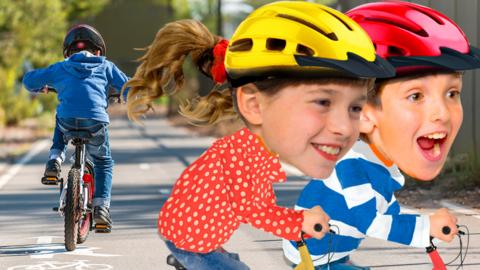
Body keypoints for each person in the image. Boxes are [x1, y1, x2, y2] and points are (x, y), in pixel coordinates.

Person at [124, 1, 394, 269]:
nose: (344, 128)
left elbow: (262, 204)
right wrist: (297, 222)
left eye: (355, 107)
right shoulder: (243, 156)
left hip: (199, 236)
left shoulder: (254, 151)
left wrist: (300, 219)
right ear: (254, 105)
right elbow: (253, 210)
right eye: (323, 102)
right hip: (190, 241)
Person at [283, 2, 480, 269]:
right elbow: (371, 222)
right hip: (313, 259)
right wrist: (425, 226)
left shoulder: (378, 164)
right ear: (362, 113)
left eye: (452, 93)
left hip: (334, 253)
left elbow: (388, 212)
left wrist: (425, 232)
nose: (442, 114)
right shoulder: (350, 166)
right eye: (416, 96)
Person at [22, 24, 129, 232]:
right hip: (95, 122)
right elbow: (130, 87)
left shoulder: (61, 67)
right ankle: (101, 210)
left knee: (61, 119)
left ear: (69, 53)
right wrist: (127, 97)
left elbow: (28, 80)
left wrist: (39, 87)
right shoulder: (106, 66)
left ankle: (54, 161)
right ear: (98, 51)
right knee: (103, 162)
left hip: (68, 121)